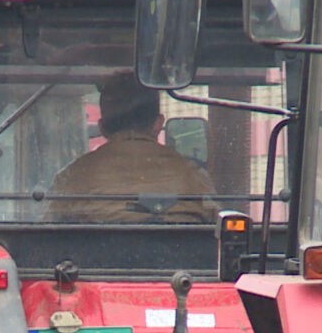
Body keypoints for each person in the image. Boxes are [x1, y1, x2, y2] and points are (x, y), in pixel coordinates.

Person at [50, 71, 217, 223]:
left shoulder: (72, 178)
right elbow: (219, 228)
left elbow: (46, 233)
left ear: (102, 128)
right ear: (158, 124)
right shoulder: (193, 177)